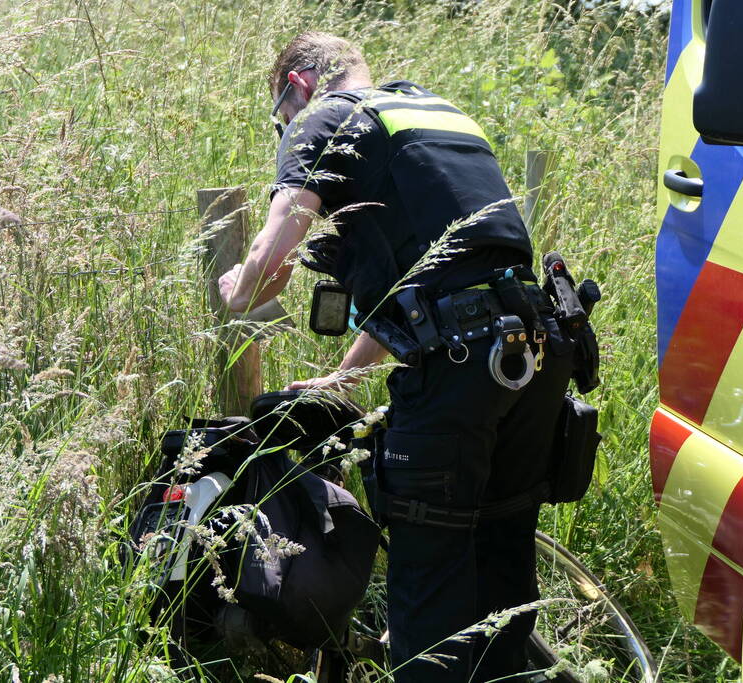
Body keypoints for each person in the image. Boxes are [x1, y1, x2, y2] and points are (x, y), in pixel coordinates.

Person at [218, 32, 574, 682]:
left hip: (460, 368)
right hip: (536, 350)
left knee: (429, 608)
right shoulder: (430, 111)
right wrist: (344, 377)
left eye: (280, 119)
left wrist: (235, 284)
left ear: (296, 86)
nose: (285, 130)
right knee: (502, 585)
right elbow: (436, 272)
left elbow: (268, 269)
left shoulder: (324, 117)